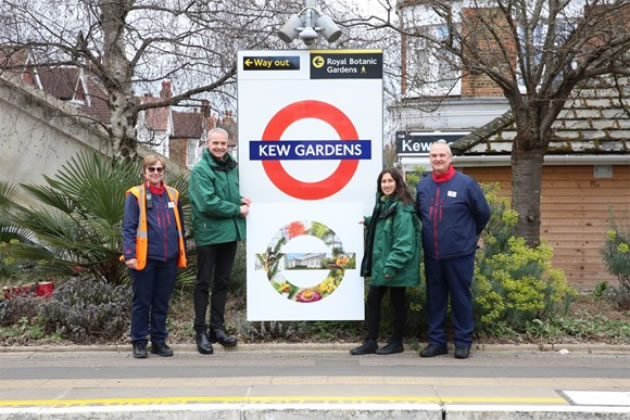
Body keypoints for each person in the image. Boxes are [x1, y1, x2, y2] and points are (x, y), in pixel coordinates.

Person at [416, 140, 490, 359]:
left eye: (442, 155)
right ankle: (437, 342)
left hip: (460, 254)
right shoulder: (423, 186)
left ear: (450, 158)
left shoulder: (466, 184)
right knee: (435, 299)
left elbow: (483, 213)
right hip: (432, 255)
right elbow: (421, 214)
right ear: (429, 159)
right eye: (434, 156)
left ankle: (463, 341)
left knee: (460, 298)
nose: (438, 159)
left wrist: (466, 235)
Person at [189, 127, 250, 355]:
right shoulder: (201, 170)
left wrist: (240, 199)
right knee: (203, 283)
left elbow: (225, 195)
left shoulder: (230, 167)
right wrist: (237, 209)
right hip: (209, 234)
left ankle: (217, 328)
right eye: (215, 143)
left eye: (223, 144)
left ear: (228, 144)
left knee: (222, 283)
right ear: (207, 143)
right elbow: (207, 203)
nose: (219, 147)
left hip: (229, 233)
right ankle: (200, 331)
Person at [350, 168, 421, 356]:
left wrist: (391, 266)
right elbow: (381, 223)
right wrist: (366, 221)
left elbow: (404, 242)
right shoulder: (384, 204)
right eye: (383, 182)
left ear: (398, 183)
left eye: (390, 181)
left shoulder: (403, 208)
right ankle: (371, 341)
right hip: (385, 264)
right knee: (375, 300)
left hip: (394, 266)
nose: (387, 185)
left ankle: (396, 342)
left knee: (396, 302)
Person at [123, 154, 187, 359]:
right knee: (142, 302)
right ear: (144, 172)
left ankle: (159, 342)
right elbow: (129, 227)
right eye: (152, 169)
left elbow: (180, 227)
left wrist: (181, 252)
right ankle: (139, 342)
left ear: (164, 172)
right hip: (144, 259)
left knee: (161, 302)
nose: (156, 173)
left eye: (159, 169)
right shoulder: (135, 195)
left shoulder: (173, 195)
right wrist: (130, 255)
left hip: (168, 259)